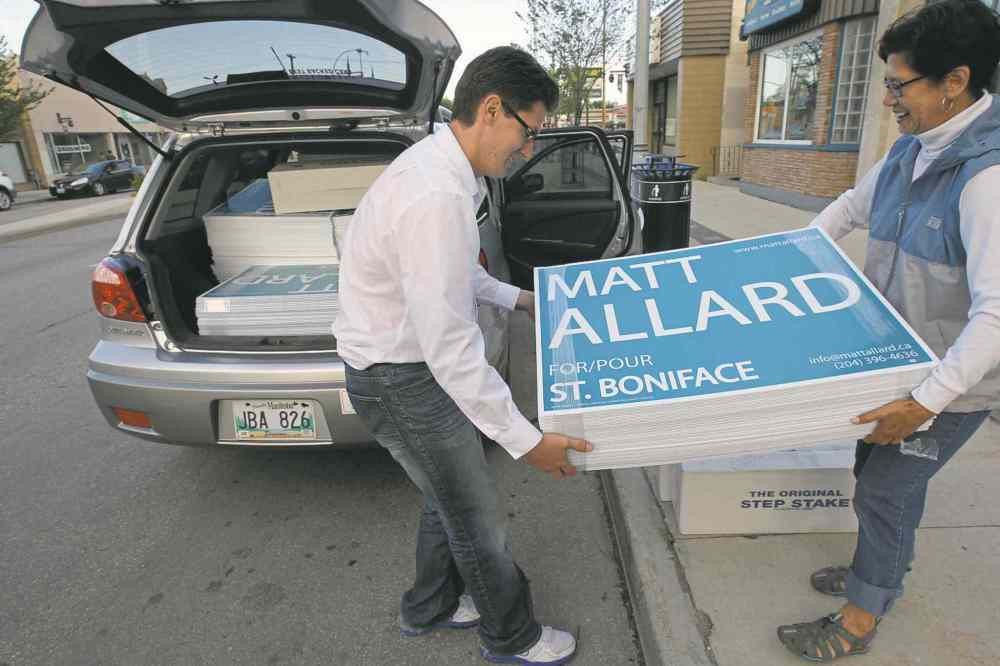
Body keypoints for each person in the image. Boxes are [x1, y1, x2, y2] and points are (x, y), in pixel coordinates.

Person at [333, 46, 592, 665]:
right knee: (474, 513)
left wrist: (518, 298)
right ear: (492, 109)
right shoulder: (435, 194)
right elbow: (450, 346)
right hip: (400, 378)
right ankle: (511, 637)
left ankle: (430, 606)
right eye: (528, 131)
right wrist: (527, 440)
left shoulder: (444, 173)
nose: (527, 149)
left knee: (446, 494)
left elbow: (456, 275)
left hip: (397, 370)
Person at [777, 1, 1000, 661]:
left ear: (954, 81)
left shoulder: (986, 180)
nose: (887, 100)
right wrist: (778, 264)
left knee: (886, 490)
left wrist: (924, 402)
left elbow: (995, 314)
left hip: (951, 383)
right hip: (894, 361)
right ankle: (878, 567)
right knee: (870, 468)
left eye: (900, 86)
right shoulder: (912, 150)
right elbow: (849, 208)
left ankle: (862, 614)